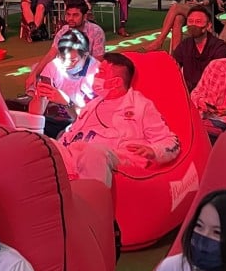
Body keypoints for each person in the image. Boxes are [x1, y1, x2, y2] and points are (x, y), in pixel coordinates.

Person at [58, 53, 181, 187]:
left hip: (111, 158)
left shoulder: (141, 106)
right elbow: (71, 134)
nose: (95, 76)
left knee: (93, 153)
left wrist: (154, 151)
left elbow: (170, 142)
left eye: (101, 73)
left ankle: (92, 205)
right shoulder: (93, 104)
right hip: (73, 156)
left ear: (116, 82)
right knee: (44, 146)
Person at [25, 0, 105, 94]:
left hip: (85, 70)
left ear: (85, 16)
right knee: (37, 68)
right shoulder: (63, 31)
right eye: (68, 14)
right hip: (65, 66)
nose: (70, 18)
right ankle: (34, 96)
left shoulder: (96, 31)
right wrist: (34, 74)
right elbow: (51, 54)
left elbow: (97, 61)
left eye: (75, 15)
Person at [28, 29, 99, 136]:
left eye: (72, 60)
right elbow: (35, 116)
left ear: (85, 56)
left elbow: (92, 119)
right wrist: (40, 97)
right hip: (58, 121)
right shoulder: (53, 66)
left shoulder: (96, 72)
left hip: (85, 124)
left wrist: (67, 102)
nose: (65, 64)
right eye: (62, 58)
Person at [171, 6, 226, 92]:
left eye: (198, 22)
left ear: (208, 25)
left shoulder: (219, 48)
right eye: (190, 21)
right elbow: (173, 66)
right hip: (188, 93)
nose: (193, 25)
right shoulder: (185, 45)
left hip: (210, 94)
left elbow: (219, 80)